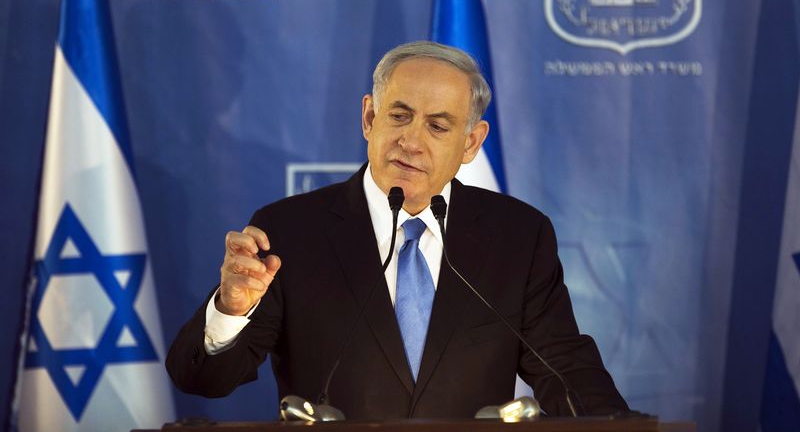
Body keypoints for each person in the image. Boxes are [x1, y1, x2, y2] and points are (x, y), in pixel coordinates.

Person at [166, 41, 629, 419]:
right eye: (399, 116)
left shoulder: (518, 236)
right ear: (370, 118)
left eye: (438, 126)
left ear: (471, 143)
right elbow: (204, 381)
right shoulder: (289, 232)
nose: (411, 141)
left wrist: (620, 431)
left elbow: (565, 369)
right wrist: (230, 310)